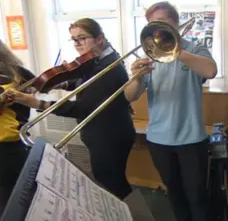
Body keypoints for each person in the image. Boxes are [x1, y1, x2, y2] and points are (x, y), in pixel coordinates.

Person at [8, 18, 136, 200]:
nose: (77, 44)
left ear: (99, 39)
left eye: (82, 38)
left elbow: (82, 108)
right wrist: (55, 84)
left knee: (110, 181)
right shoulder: (100, 58)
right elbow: (82, 83)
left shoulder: (110, 67)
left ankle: (127, 213)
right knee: (108, 178)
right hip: (101, 131)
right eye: (74, 39)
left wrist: (37, 104)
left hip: (109, 134)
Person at [124, 1, 217, 221]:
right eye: (151, 24)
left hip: (191, 139)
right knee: (174, 194)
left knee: (197, 196)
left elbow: (211, 71)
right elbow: (130, 96)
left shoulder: (194, 49)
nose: (155, 29)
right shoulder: (150, 56)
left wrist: (175, 50)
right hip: (158, 139)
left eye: (161, 23)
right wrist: (136, 77)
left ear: (175, 23)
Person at [0, 41, 36, 215]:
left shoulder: (17, 72)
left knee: (21, 193)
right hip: (9, 146)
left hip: (16, 142)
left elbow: (43, 83)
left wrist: (61, 78)